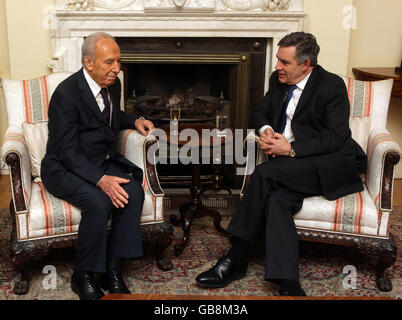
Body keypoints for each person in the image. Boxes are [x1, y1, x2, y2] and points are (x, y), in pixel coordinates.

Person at [195, 32, 367, 296]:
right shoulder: (278, 80)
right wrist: (265, 129)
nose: (277, 67)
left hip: (328, 165)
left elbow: (336, 137)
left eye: (285, 62)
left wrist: (292, 148)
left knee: (264, 175)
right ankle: (289, 282)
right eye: (278, 59)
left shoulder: (331, 86)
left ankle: (236, 257)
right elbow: (260, 112)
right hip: (290, 170)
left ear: (306, 63)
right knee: (277, 200)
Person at [41, 32, 155, 300]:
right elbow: (66, 151)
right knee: (99, 202)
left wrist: (134, 119)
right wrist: (101, 180)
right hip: (64, 168)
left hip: (99, 162)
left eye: (118, 61)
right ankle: (83, 275)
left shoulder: (112, 84)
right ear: (89, 62)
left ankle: (112, 270)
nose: (117, 68)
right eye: (109, 62)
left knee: (134, 192)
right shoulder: (66, 94)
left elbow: (107, 115)